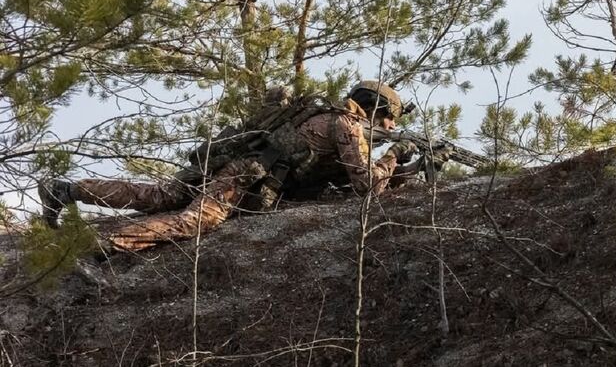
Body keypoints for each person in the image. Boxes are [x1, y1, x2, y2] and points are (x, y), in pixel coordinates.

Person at [38, 81, 426, 253]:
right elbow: (367, 186)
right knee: (195, 222)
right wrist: (396, 155)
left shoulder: (322, 112)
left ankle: (65, 189)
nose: (391, 127)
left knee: (158, 195)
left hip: (228, 161)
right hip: (242, 174)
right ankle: (98, 245)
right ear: (375, 108)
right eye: (388, 118)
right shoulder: (348, 125)